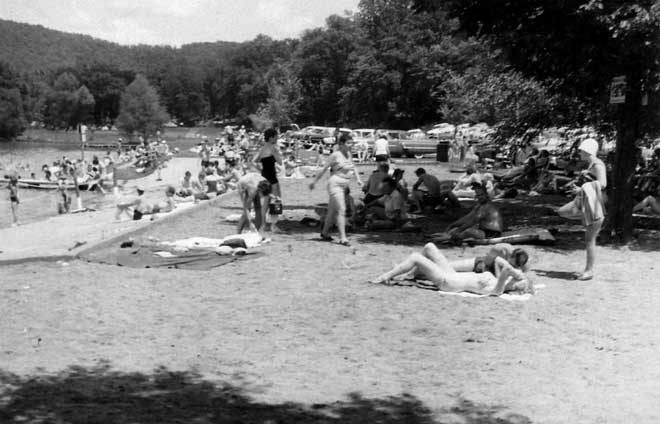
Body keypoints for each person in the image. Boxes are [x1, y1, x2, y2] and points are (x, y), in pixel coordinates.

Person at [368, 243, 533, 295]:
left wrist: (514, 277)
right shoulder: (499, 281)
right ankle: (406, 273)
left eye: (518, 284)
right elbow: (510, 271)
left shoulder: (497, 288)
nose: (517, 281)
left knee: (415, 257)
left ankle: (384, 277)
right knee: (429, 247)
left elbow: (505, 277)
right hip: (452, 275)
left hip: (448, 282)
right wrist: (521, 279)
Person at [558, 138, 607, 281]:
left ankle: (589, 271)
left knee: (589, 240)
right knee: (562, 211)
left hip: (594, 205)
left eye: (581, 150)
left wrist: (583, 188)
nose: (579, 153)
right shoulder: (590, 164)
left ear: (587, 150)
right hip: (585, 202)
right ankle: (585, 216)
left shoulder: (598, 165)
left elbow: (603, 184)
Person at [309, 134, 364, 246]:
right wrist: (314, 182)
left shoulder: (348, 154)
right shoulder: (335, 155)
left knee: (332, 211)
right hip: (335, 184)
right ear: (341, 144)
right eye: (348, 143)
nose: (351, 145)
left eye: (351, 143)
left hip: (344, 185)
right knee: (341, 209)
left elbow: (353, 167)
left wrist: (358, 179)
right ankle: (343, 238)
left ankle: (324, 233)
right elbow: (323, 169)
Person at [435, 182, 503, 243]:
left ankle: (449, 238)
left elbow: (473, 220)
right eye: (478, 195)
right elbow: (468, 217)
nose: (480, 197)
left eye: (482, 195)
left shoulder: (487, 206)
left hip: (492, 233)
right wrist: (454, 224)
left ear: (486, 195)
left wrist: (459, 230)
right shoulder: (479, 205)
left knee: (468, 231)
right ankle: (446, 235)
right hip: (484, 231)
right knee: (457, 229)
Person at [236, 172, 272, 239]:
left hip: (253, 180)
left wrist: (263, 222)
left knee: (258, 208)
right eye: (261, 195)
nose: (262, 197)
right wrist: (250, 223)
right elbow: (246, 207)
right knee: (246, 211)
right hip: (243, 185)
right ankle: (238, 234)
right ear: (259, 190)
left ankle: (256, 233)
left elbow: (265, 206)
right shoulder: (253, 189)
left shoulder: (267, 185)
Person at [252, 128, 283, 198]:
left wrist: (260, 170)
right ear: (271, 138)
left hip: (264, 175)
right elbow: (280, 162)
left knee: (267, 199)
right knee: (277, 198)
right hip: (272, 176)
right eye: (276, 137)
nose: (277, 139)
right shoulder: (273, 148)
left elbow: (253, 162)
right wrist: (279, 153)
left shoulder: (262, 148)